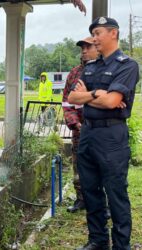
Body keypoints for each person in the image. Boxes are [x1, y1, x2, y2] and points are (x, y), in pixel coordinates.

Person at [68, 17, 139, 250]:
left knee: (115, 193)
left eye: (98, 33)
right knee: (90, 191)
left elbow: (112, 103)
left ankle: (121, 245)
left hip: (112, 137)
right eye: (93, 34)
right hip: (88, 134)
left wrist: (91, 96)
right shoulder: (90, 67)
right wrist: (98, 93)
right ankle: (98, 241)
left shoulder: (127, 65)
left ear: (113, 33)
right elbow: (72, 98)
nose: (94, 39)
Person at [62, 37, 98, 213]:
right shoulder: (74, 73)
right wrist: (75, 123)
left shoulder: (104, 70)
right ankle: (81, 199)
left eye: (88, 47)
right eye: (82, 48)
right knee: (79, 166)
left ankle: (101, 203)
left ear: (98, 48)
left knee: (100, 167)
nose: (83, 50)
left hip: (100, 130)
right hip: (79, 131)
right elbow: (66, 103)